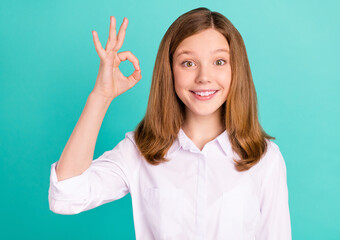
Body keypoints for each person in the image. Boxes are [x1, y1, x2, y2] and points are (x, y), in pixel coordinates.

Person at [48, 7, 291, 239]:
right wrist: (101, 96)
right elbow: (66, 196)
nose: (204, 77)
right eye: (188, 63)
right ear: (170, 70)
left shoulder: (264, 158)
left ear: (235, 69)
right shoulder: (139, 150)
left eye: (219, 62)